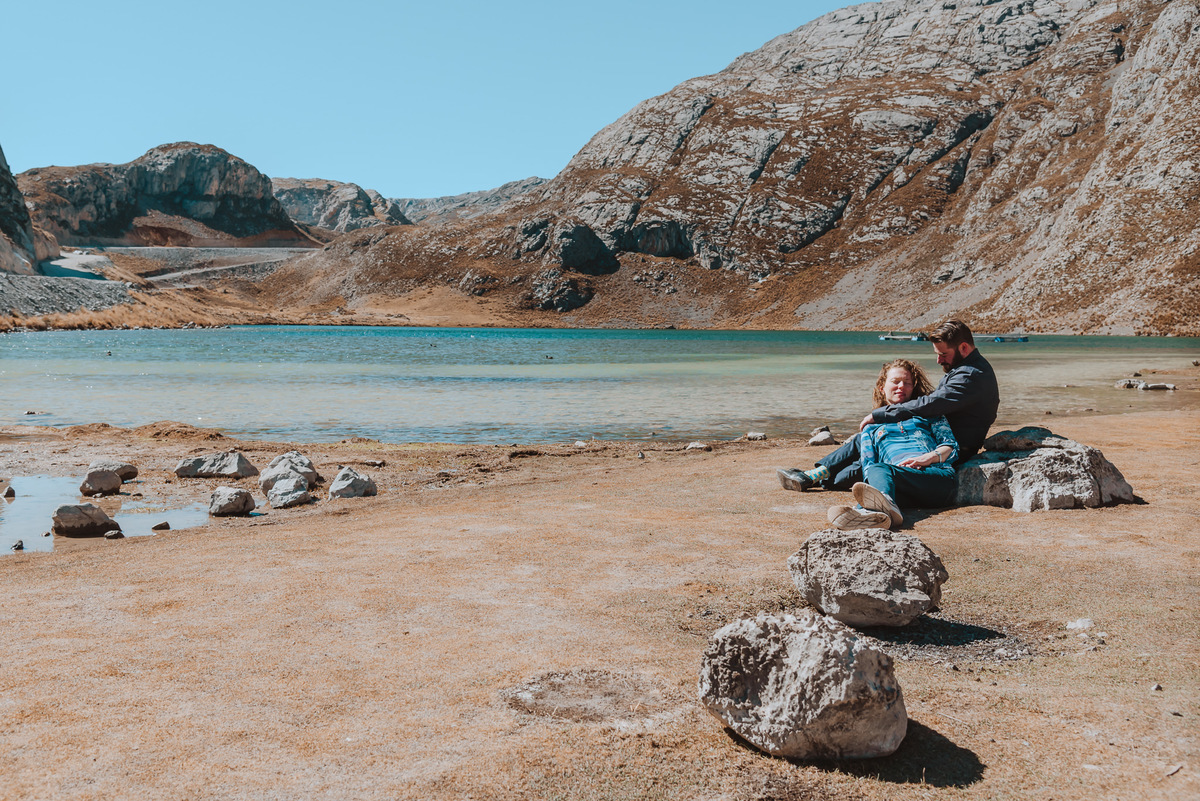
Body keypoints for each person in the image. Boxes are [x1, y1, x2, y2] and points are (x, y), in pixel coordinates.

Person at [777, 319, 999, 492]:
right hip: (926, 440)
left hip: (943, 450)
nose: (939, 360)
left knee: (848, 473)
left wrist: (884, 413)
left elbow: (933, 403)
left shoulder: (971, 376)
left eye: (943, 354)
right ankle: (812, 476)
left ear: (963, 348)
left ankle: (817, 478)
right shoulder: (964, 370)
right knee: (864, 441)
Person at [827, 359, 958, 530]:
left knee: (879, 470)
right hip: (899, 484)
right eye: (895, 382)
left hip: (937, 479)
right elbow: (868, 465)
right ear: (882, 387)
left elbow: (951, 446)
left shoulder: (930, 414)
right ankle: (879, 516)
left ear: (913, 387)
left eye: (907, 383)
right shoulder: (871, 427)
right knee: (875, 471)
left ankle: (865, 512)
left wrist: (928, 458)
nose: (901, 386)